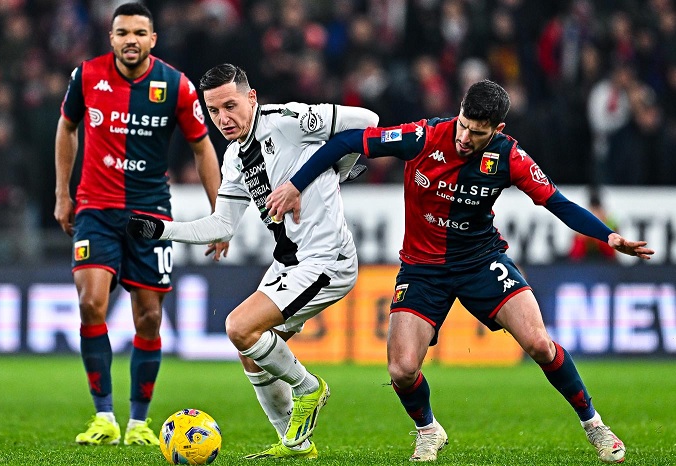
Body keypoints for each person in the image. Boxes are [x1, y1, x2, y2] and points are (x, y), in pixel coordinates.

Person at [265, 79, 654, 463]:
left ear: (498, 130)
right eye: (463, 125)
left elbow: (559, 203)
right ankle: (428, 430)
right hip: (422, 270)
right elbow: (347, 142)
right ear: (460, 111)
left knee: (539, 343)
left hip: (481, 261)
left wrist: (608, 237)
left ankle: (594, 425)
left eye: (477, 133)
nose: (465, 138)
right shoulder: (422, 137)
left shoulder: (509, 157)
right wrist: (296, 185)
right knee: (401, 370)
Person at [127, 63, 378, 459]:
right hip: (290, 262)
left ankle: (309, 388)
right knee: (251, 350)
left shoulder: (289, 121)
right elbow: (221, 224)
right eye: (214, 111)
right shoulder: (234, 158)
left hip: (327, 260)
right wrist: (161, 230)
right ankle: (296, 444)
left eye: (230, 106)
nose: (223, 118)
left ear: (251, 97)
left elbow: (368, 121)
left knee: (239, 327)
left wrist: (337, 169)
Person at [54, 2, 224, 447]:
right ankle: (103, 417)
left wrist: (219, 214)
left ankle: (138, 423)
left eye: (139, 32)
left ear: (153, 39)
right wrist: (62, 194)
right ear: (111, 38)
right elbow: (67, 127)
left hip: (150, 216)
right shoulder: (87, 76)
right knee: (90, 303)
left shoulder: (176, 85)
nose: (131, 40)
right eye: (123, 32)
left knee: (148, 317)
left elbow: (203, 148)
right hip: (95, 209)